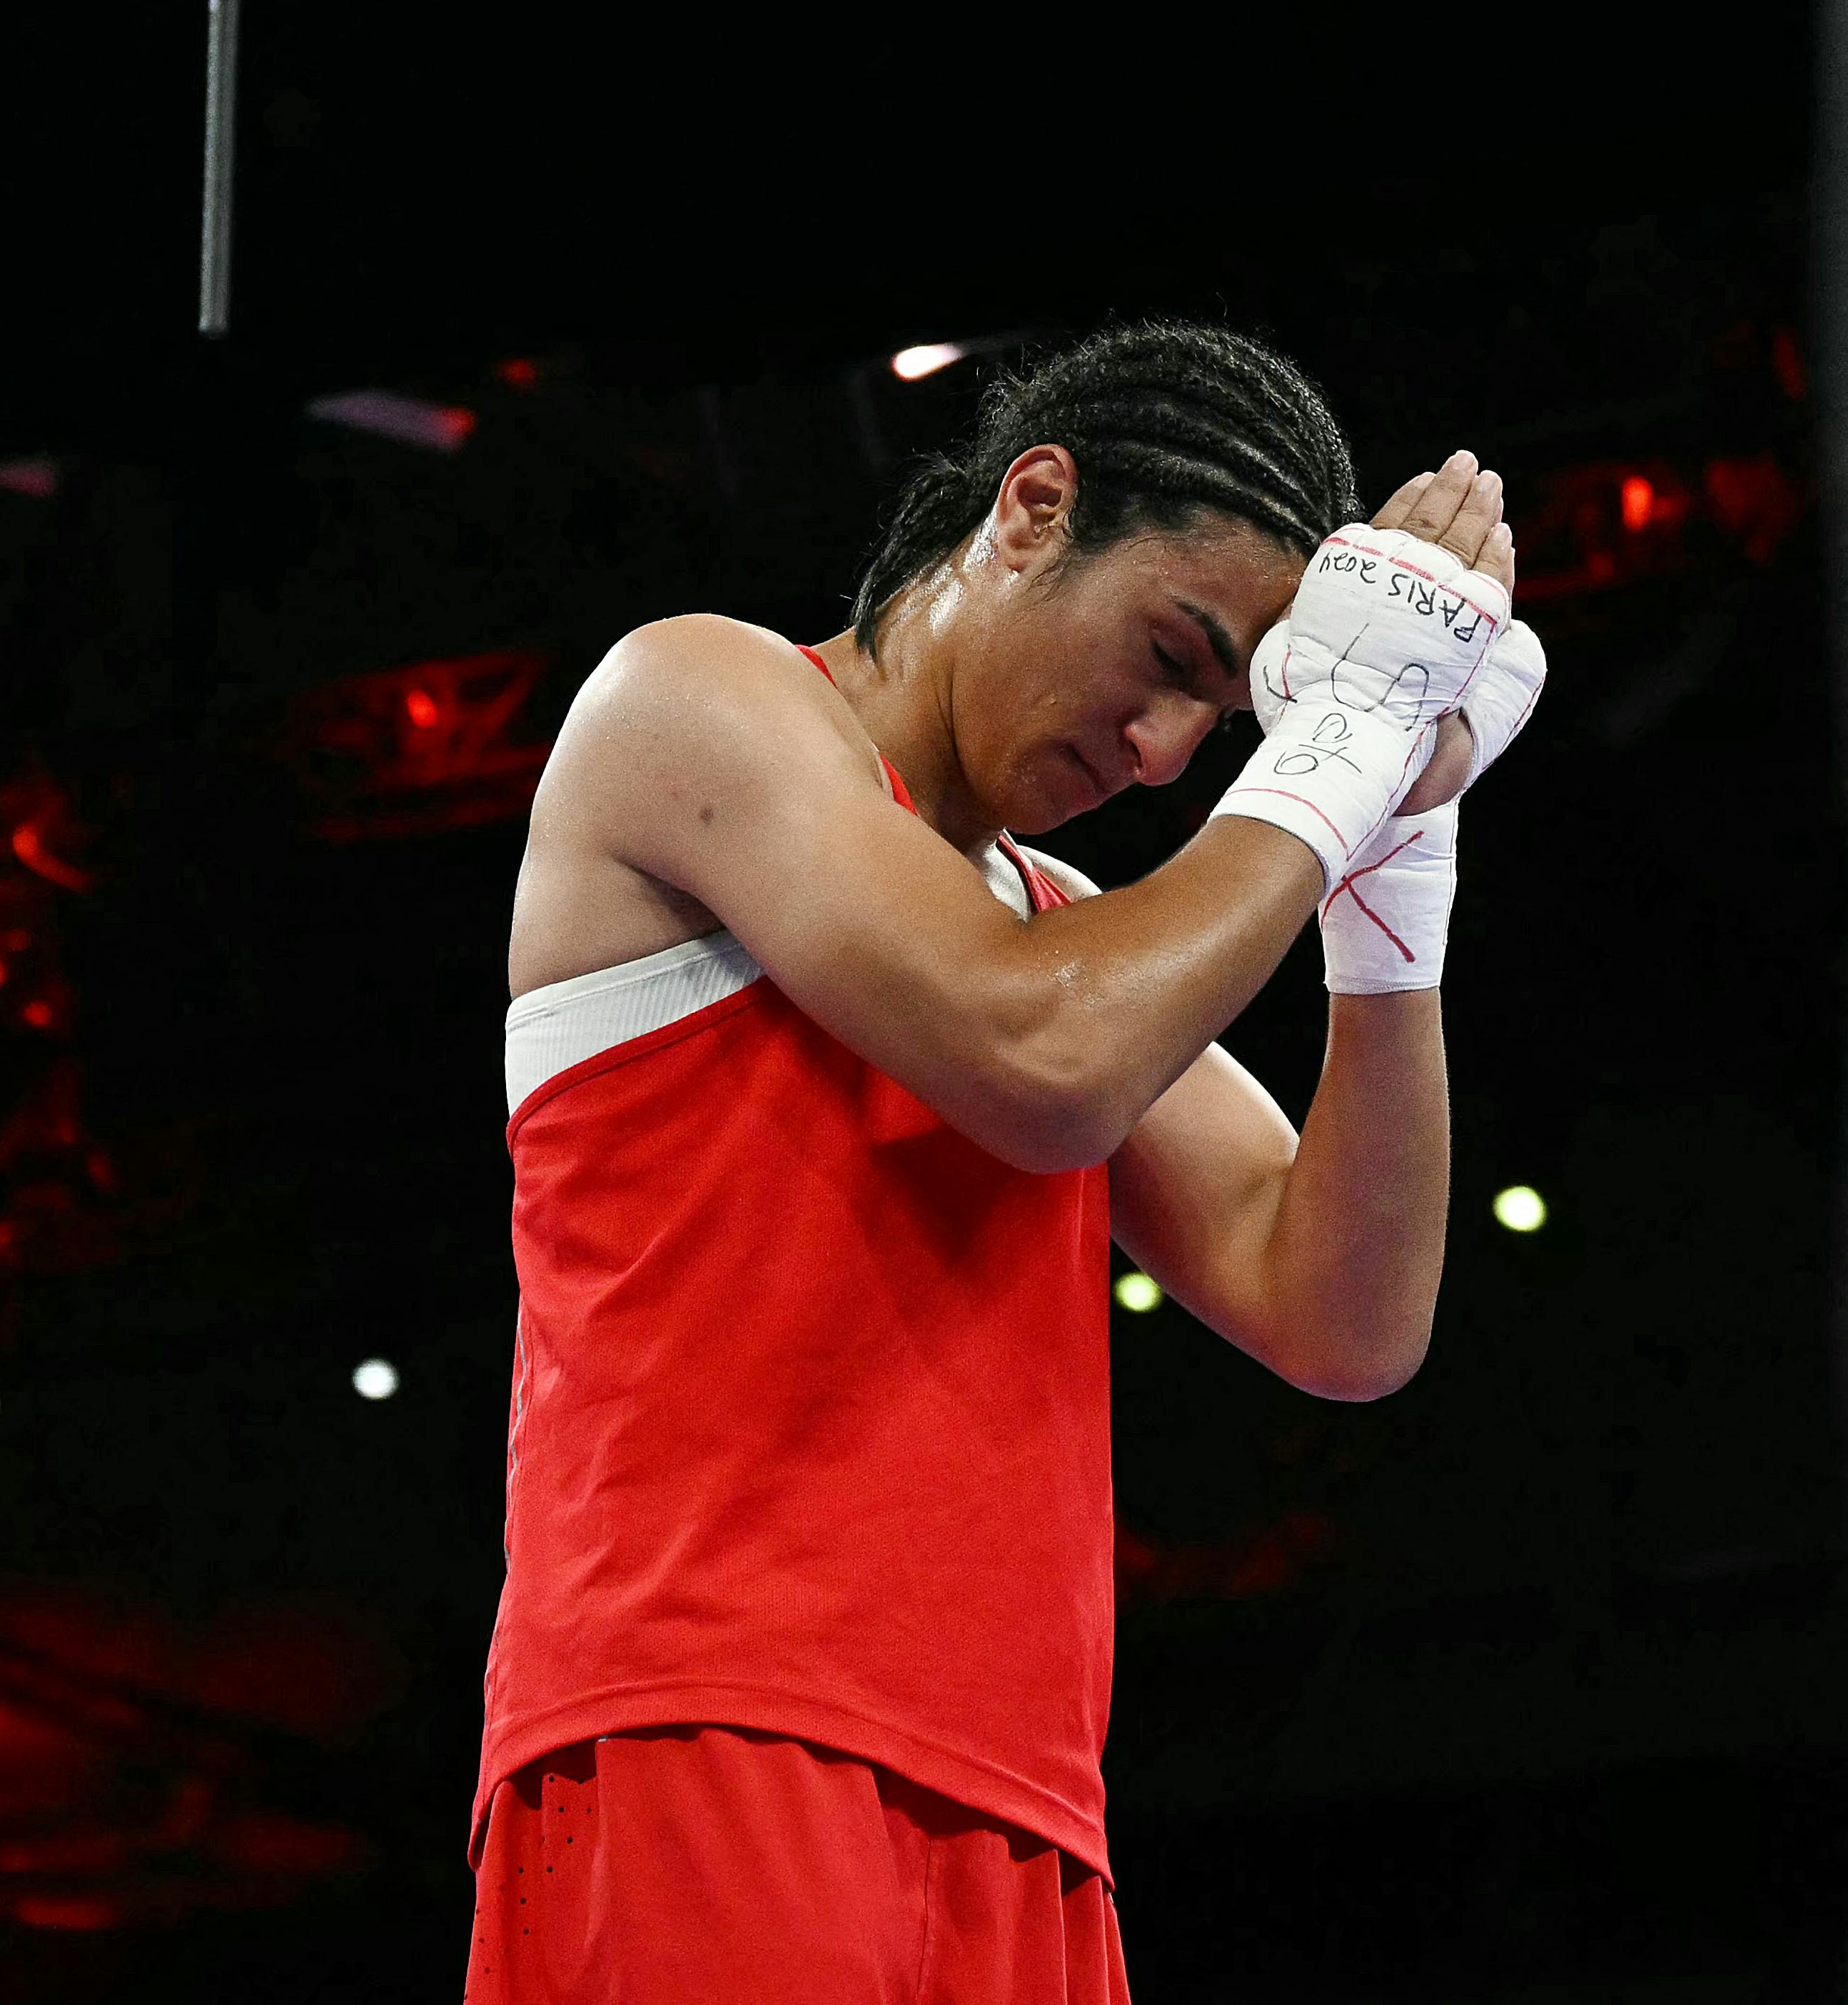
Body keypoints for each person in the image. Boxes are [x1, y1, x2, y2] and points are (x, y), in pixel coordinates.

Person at [468, 322, 1547, 2002]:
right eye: (1177, 652)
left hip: (1026, 1820)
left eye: (1236, 712)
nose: (1172, 752)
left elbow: (1344, 1313)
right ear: (1033, 506)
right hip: (711, 1736)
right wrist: (1328, 761)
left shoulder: (1058, 929)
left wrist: (1392, 877)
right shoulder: (700, 698)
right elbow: (1041, 1061)